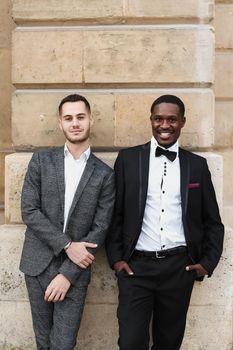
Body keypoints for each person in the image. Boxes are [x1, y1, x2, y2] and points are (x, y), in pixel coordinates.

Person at [106, 94, 224, 350]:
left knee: (169, 343)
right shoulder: (128, 160)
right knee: (130, 342)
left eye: (172, 119)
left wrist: (206, 263)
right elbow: (115, 215)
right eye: (158, 119)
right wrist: (116, 260)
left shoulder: (197, 166)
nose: (164, 125)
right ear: (151, 120)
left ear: (182, 122)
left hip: (178, 269)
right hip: (136, 268)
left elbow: (213, 222)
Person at [20, 94, 115, 350]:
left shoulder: (105, 174)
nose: (75, 123)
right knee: (43, 343)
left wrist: (67, 275)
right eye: (68, 118)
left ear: (90, 120)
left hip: (75, 271)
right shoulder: (41, 161)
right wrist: (66, 245)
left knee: (63, 345)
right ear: (60, 123)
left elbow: (100, 228)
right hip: (36, 265)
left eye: (80, 117)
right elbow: (29, 211)